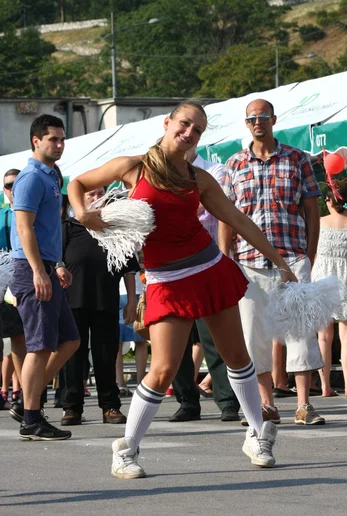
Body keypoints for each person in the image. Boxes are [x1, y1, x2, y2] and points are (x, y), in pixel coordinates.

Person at [68, 100, 297, 479]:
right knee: (162, 368)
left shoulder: (198, 178)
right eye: (185, 124)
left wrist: (282, 262)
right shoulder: (133, 167)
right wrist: (81, 211)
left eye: (197, 130)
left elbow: (238, 219)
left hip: (208, 270)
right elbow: (77, 183)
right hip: (165, 280)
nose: (189, 133)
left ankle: (257, 434)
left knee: (237, 357)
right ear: (167, 122)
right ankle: (126, 451)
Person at [219, 98, 325, 427]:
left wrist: (309, 253)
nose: (257, 122)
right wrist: (226, 259)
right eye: (251, 119)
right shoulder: (234, 164)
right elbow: (226, 216)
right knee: (253, 333)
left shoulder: (297, 159)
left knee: (301, 328)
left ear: (274, 119)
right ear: (246, 123)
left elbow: (312, 209)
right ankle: (267, 403)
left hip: (292, 256)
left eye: (263, 117)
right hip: (248, 263)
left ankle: (304, 404)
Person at [10, 114, 80, 441]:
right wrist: (40, 270)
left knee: (70, 340)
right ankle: (31, 417)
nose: (59, 144)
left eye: (62, 139)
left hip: (48, 265)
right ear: (36, 141)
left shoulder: (53, 175)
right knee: (39, 347)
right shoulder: (31, 178)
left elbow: (48, 229)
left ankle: (29, 401)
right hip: (30, 268)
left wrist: (57, 264)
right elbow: (24, 228)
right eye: (53, 139)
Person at [169, 145, 240, 423]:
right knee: (177, 341)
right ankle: (187, 401)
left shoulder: (215, 171)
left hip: (207, 263)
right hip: (173, 267)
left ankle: (227, 401)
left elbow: (217, 209)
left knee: (214, 337)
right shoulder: (162, 174)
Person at [60, 186, 135, 425]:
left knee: (106, 356)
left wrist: (132, 301)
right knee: (73, 356)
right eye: (90, 194)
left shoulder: (115, 228)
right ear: (80, 200)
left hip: (106, 300)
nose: (96, 198)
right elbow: (55, 259)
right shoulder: (69, 227)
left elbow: (130, 269)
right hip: (73, 301)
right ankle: (71, 407)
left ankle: (110, 406)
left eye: (100, 193)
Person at [312, 185, 347, 396]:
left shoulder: (319, 222)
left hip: (321, 275)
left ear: (329, 201)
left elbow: (312, 247)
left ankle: (325, 387)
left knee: (323, 337)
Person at [0, 169, 26, 410]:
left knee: (20, 338)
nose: (12, 189)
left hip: (22, 281)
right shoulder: (2, 216)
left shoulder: (31, 213)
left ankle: (26, 391)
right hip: (1, 285)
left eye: (16, 184)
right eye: (8, 186)